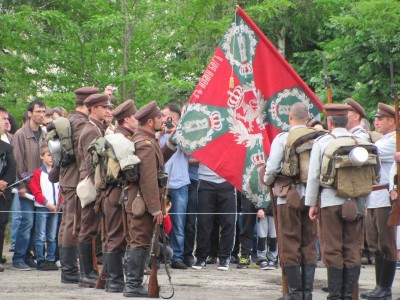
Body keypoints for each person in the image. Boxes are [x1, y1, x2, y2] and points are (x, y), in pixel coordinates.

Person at [306, 104, 371, 299]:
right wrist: (364, 203)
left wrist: (311, 203)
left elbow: (314, 176)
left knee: (333, 248)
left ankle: (335, 296)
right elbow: (369, 176)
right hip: (357, 201)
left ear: (330, 121)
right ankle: (348, 295)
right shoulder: (361, 141)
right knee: (352, 248)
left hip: (330, 201)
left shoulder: (322, 142)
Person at [263, 102, 319, 299]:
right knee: (309, 243)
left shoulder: (283, 138)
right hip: (313, 197)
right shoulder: (317, 138)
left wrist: (267, 180)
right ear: (307, 118)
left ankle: (294, 293)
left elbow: (271, 169)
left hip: (288, 196)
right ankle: (307, 293)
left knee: (289, 242)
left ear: (290, 117)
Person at [123, 100, 176, 297]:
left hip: (141, 200)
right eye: (159, 117)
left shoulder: (146, 140)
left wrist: (171, 144)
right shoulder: (145, 144)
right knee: (140, 241)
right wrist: (156, 209)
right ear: (149, 121)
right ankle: (133, 286)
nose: (163, 120)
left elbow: (156, 164)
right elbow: (148, 179)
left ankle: (134, 284)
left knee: (141, 241)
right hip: (142, 201)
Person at [58, 86, 98, 284]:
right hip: (76, 181)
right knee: (74, 224)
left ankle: (68, 269)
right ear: (89, 104)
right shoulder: (82, 125)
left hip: (67, 179)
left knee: (68, 222)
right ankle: (70, 271)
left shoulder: (70, 121)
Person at [361, 102, 397, 299]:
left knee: (386, 243)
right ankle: (379, 286)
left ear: (391, 121)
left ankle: (385, 287)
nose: (376, 122)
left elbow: (369, 151)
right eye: (375, 119)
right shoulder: (384, 139)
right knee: (374, 243)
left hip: (385, 196)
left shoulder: (394, 140)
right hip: (373, 196)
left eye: (380, 119)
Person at [77, 93, 113, 287]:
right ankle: (86, 273)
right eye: (103, 107)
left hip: (94, 182)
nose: (108, 110)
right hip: (92, 183)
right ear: (93, 109)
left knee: (90, 228)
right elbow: (92, 164)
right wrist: (100, 187)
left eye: (109, 107)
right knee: (88, 228)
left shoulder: (98, 128)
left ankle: (89, 272)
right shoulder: (91, 130)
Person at [102, 99, 138, 293]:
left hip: (113, 193)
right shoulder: (122, 140)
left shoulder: (118, 136)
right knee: (115, 237)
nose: (137, 119)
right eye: (134, 116)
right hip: (117, 192)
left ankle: (112, 280)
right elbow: (131, 172)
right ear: (126, 119)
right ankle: (115, 281)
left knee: (113, 236)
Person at [12, 99, 47, 271]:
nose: (42, 115)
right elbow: (17, 162)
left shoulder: (45, 134)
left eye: (43, 112)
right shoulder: (20, 134)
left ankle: (28, 256)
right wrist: (21, 186)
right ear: (30, 113)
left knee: (36, 224)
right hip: (26, 186)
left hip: (42, 187)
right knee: (27, 222)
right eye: (38, 111)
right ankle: (18, 257)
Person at [160, 103, 190, 270]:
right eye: (163, 116)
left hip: (180, 183)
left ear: (177, 119)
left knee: (178, 223)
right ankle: (158, 255)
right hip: (161, 183)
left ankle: (177, 257)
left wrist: (177, 133)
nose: (164, 119)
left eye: (167, 117)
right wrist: (160, 133)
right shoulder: (157, 133)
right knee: (157, 222)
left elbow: (190, 153)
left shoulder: (183, 133)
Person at [192, 163, 236, 272]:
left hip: (228, 180)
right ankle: (201, 257)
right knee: (204, 221)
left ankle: (224, 258)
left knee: (228, 222)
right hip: (205, 180)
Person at [29, 144, 60, 271]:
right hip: (43, 207)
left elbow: (61, 190)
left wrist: (58, 204)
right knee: (40, 235)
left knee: (52, 236)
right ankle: (40, 259)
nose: (51, 158)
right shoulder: (38, 173)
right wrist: (47, 203)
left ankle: (51, 259)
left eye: (53, 155)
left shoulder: (58, 172)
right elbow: (36, 191)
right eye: (48, 155)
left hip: (56, 209)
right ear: (42, 156)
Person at [0, 113, 16, 272]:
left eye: (7, 119)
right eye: (3, 119)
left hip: (4, 192)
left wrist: (3, 184)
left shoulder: (8, 146)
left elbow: (12, 168)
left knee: (1, 224)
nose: (7, 121)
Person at [256, 198, 278, 270]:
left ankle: (272, 259)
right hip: (262, 212)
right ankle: (262, 259)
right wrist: (259, 208)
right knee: (262, 236)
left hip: (275, 212)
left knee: (274, 237)